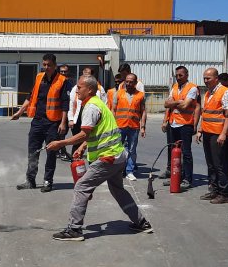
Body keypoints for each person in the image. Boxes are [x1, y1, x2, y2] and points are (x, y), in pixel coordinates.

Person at [46, 75, 153, 241]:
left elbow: (84, 133)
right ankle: (141, 222)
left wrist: (61, 143)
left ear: (89, 89)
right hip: (118, 156)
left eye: (80, 87)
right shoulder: (98, 104)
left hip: (108, 158)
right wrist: (83, 147)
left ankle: (74, 229)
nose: (77, 91)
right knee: (117, 189)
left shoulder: (90, 107)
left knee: (82, 186)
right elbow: (97, 132)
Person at [11, 53, 71, 193]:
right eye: (44, 65)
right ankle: (30, 180)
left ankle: (47, 181)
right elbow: (30, 97)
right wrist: (19, 113)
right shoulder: (39, 78)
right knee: (33, 151)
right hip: (37, 121)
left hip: (53, 123)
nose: (46, 67)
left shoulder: (63, 81)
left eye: (49, 65)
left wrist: (63, 123)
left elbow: (65, 103)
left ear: (55, 65)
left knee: (51, 152)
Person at [195, 68, 228, 204]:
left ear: (216, 78)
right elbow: (206, 113)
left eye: (208, 78)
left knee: (220, 164)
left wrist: (223, 133)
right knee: (211, 164)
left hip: (218, 134)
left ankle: (224, 193)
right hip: (208, 132)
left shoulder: (225, 92)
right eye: (204, 78)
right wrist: (200, 130)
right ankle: (214, 190)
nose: (205, 81)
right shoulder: (208, 93)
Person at [161, 66, 198, 189]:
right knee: (173, 151)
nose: (178, 77)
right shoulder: (175, 87)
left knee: (186, 153)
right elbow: (167, 104)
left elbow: (186, 105)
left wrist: (175, 102)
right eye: (177, 75)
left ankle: (187, 179)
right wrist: (178, 102)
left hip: (185, 124)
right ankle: (174, 177)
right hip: (173, 123)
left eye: (180, 75)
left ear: (186, 75)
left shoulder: (192, 88)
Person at [61, 67, 107, 162]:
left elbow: (105, 103)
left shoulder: (98, 90)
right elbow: (72, 103)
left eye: (88, 74)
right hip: (78, 117)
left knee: (88, 139)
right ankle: (76, 162)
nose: (78, 90)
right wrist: (71, 119)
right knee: (79, 143)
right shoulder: (76, 88)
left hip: (93, 117)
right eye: (84, 74)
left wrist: (61, 143)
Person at [111, 72, 147, 180]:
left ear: (136, 83)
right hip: (119, 126)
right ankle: (117, 170)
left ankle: (129, 171)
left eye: (131, 82)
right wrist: (112, 125)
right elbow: (113, 110)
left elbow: (143, 111)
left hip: (134, 127)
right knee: (117, 149)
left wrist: (143, 127)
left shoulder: (140, 95)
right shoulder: (118, 93)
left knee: (132, 149)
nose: (128, 83)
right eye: (127, 81)